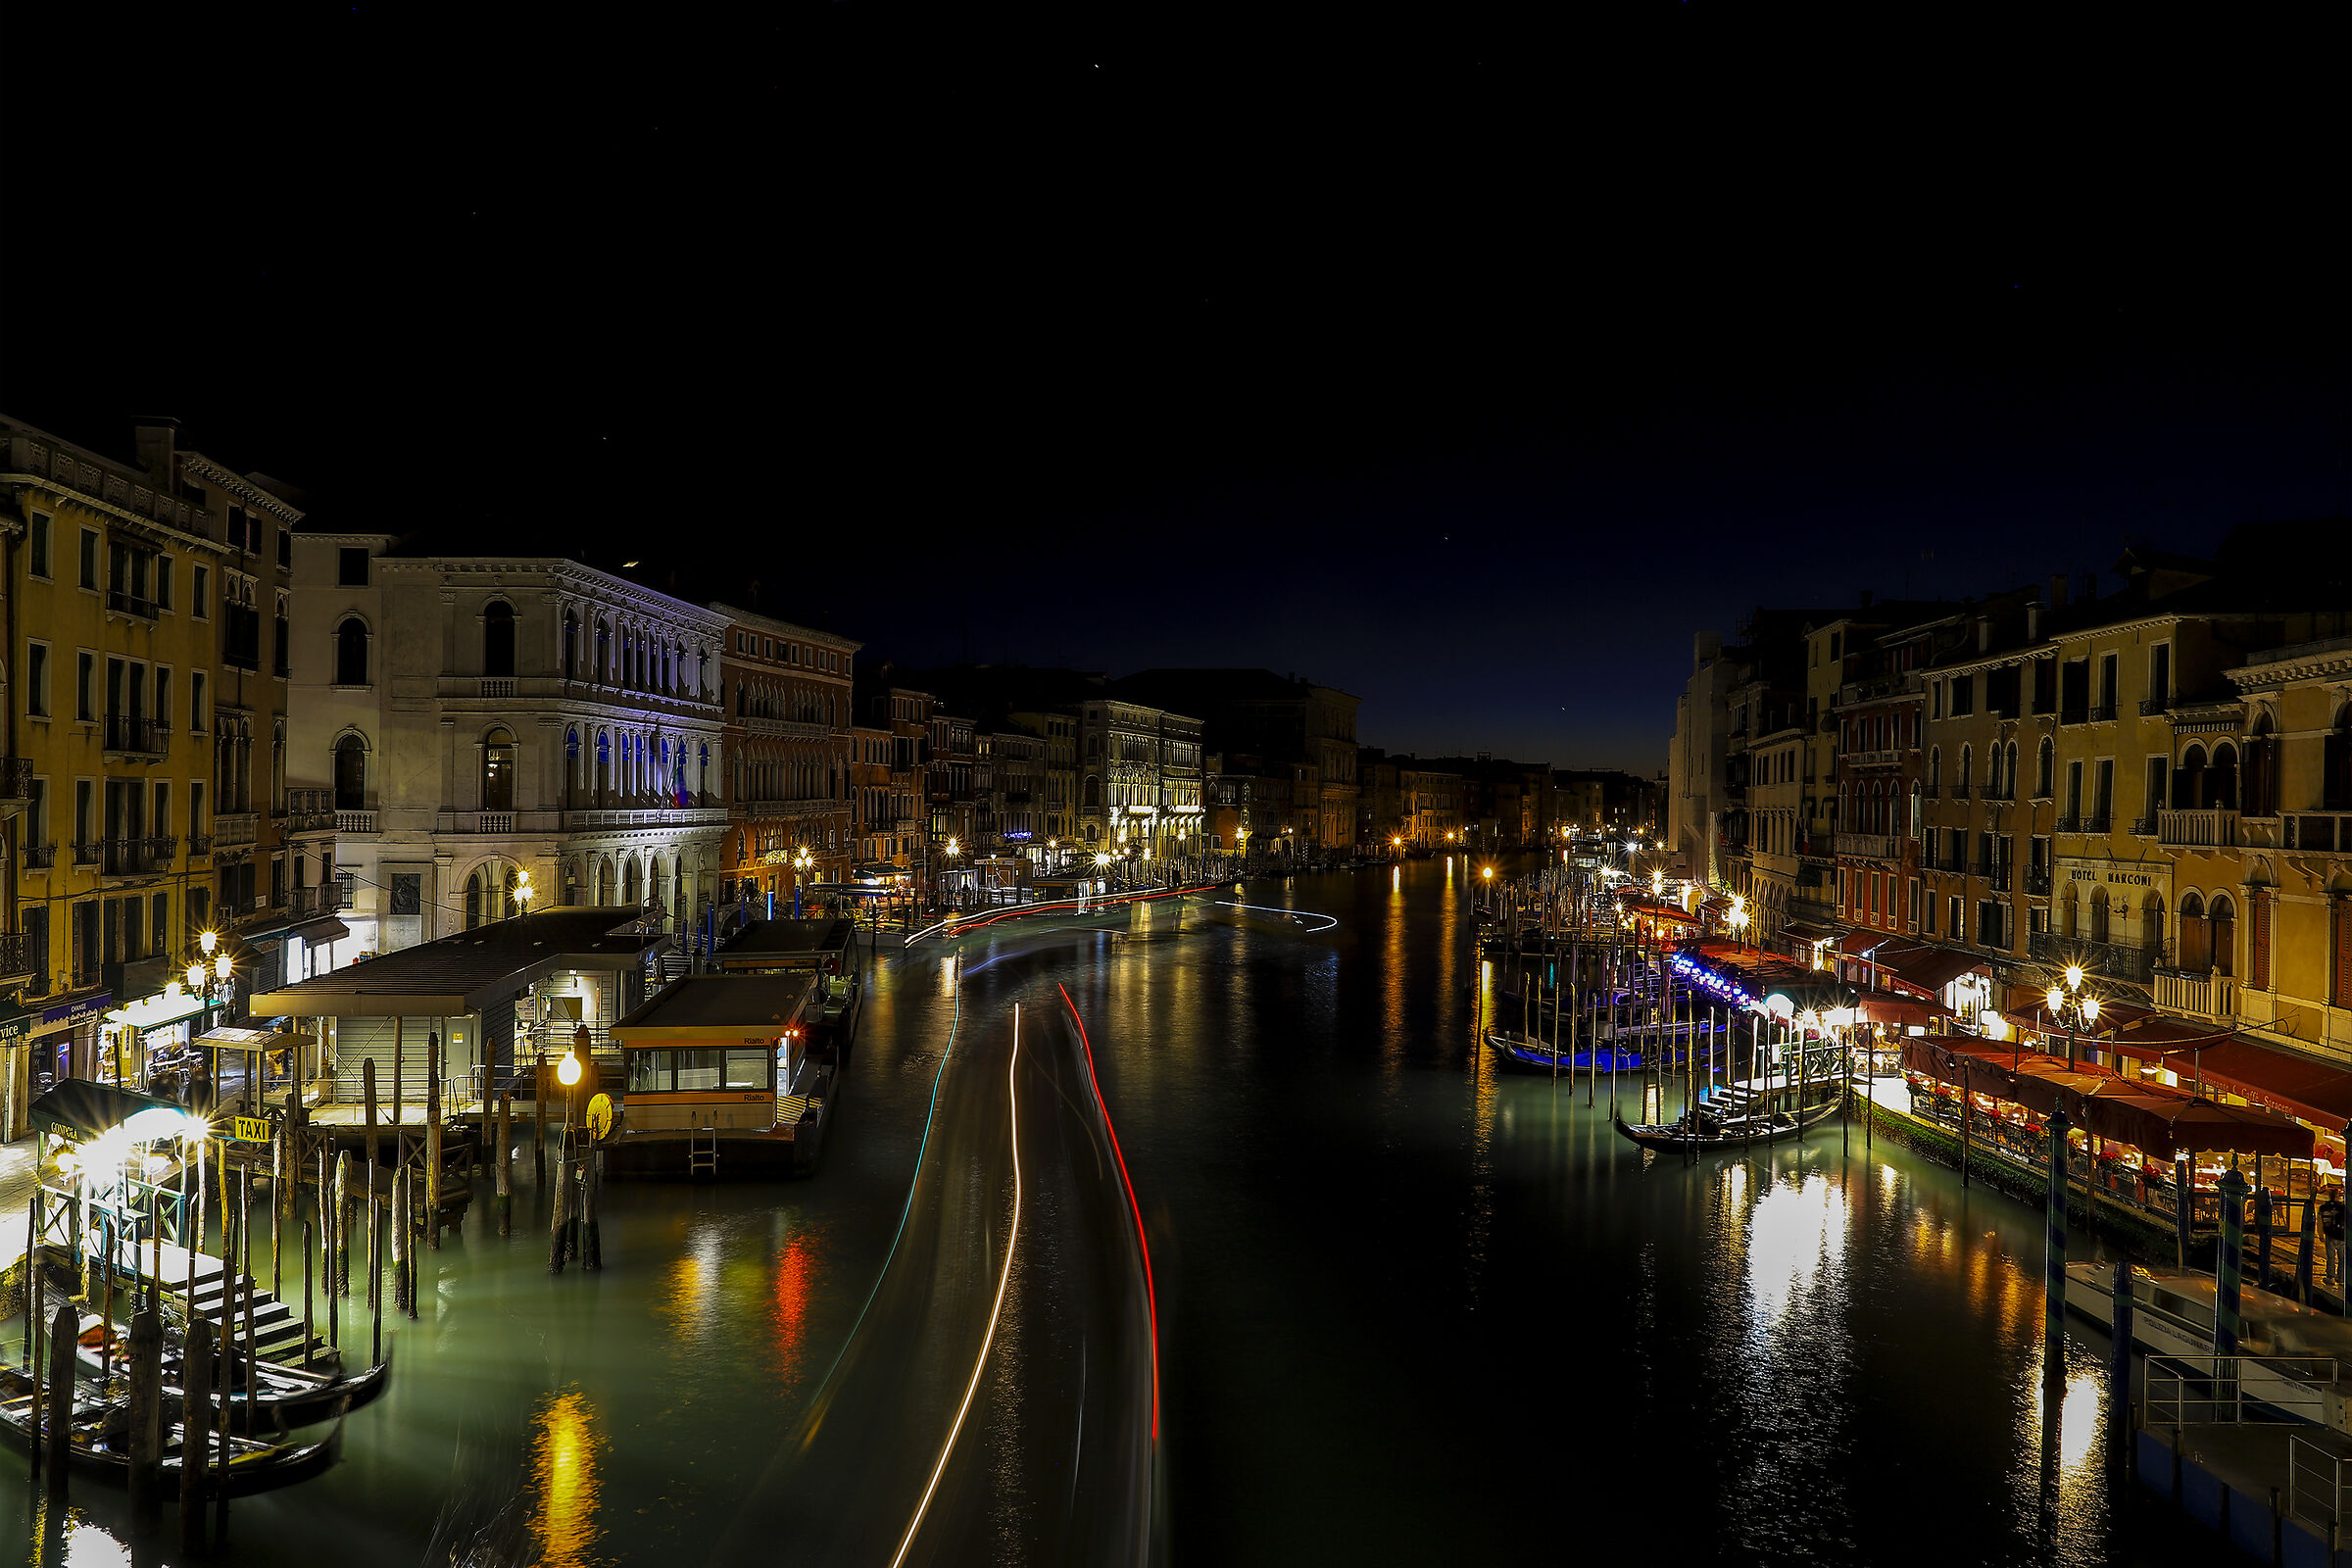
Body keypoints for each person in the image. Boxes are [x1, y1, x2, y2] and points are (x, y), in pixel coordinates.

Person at [2322, 1185, 2346, 1288]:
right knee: (2342, 1257)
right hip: (2342, 1235)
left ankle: (2330, 1277)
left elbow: (2321, 1222)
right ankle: (2341, 1278)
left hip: (2331, 1235)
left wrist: (2320, 1234)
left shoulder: (2325, 1207)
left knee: (2331, 1257)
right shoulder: (2344, 1207)